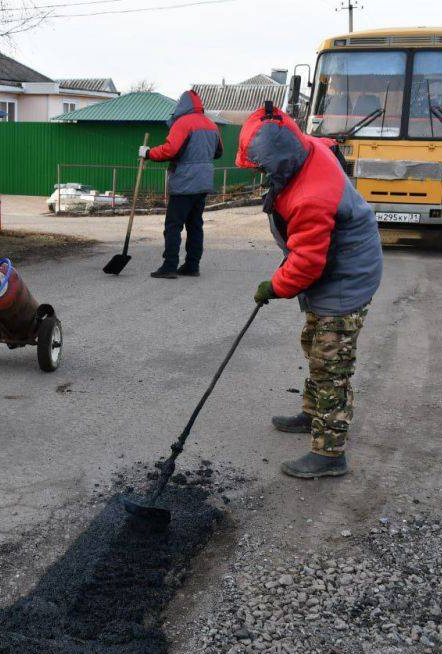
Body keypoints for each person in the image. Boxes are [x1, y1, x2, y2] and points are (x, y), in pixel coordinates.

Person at [235, 103, 383, 479]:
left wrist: (273, 287)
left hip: (345, 274)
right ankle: (314, 413)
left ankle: (330, 453)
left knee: (331, 362)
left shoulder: (312, 195)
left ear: (282, 159)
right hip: (333, 268)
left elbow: (308, 263)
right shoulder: (305, 150)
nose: (261, 175)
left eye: (263, 168)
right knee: (315, 343)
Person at [139, 90, 223, 278]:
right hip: (203, 182)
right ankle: (192, 265)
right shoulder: (211, 124)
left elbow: (170, 150)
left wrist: (148, 153)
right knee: (195, 225)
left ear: (182, 105)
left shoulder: (183, 123)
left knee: (173, 225)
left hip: (185, 182)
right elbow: (219, 152)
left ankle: (169, 266)